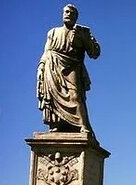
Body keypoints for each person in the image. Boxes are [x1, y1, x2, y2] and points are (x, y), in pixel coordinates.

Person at [37, 4, 100, 133]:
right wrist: (41, 66)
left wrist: (86, 38)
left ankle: (83, 125)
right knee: (53, 96)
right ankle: (58, 124)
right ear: (62, 14)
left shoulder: (82, 32)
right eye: (66, 12)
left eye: (72, 13)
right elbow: (46, 51)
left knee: (75, 95)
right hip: (52, 64)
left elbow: (95, 53)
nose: (68, 14)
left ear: (76, 17)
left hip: (72, 66)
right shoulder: (53, 32)